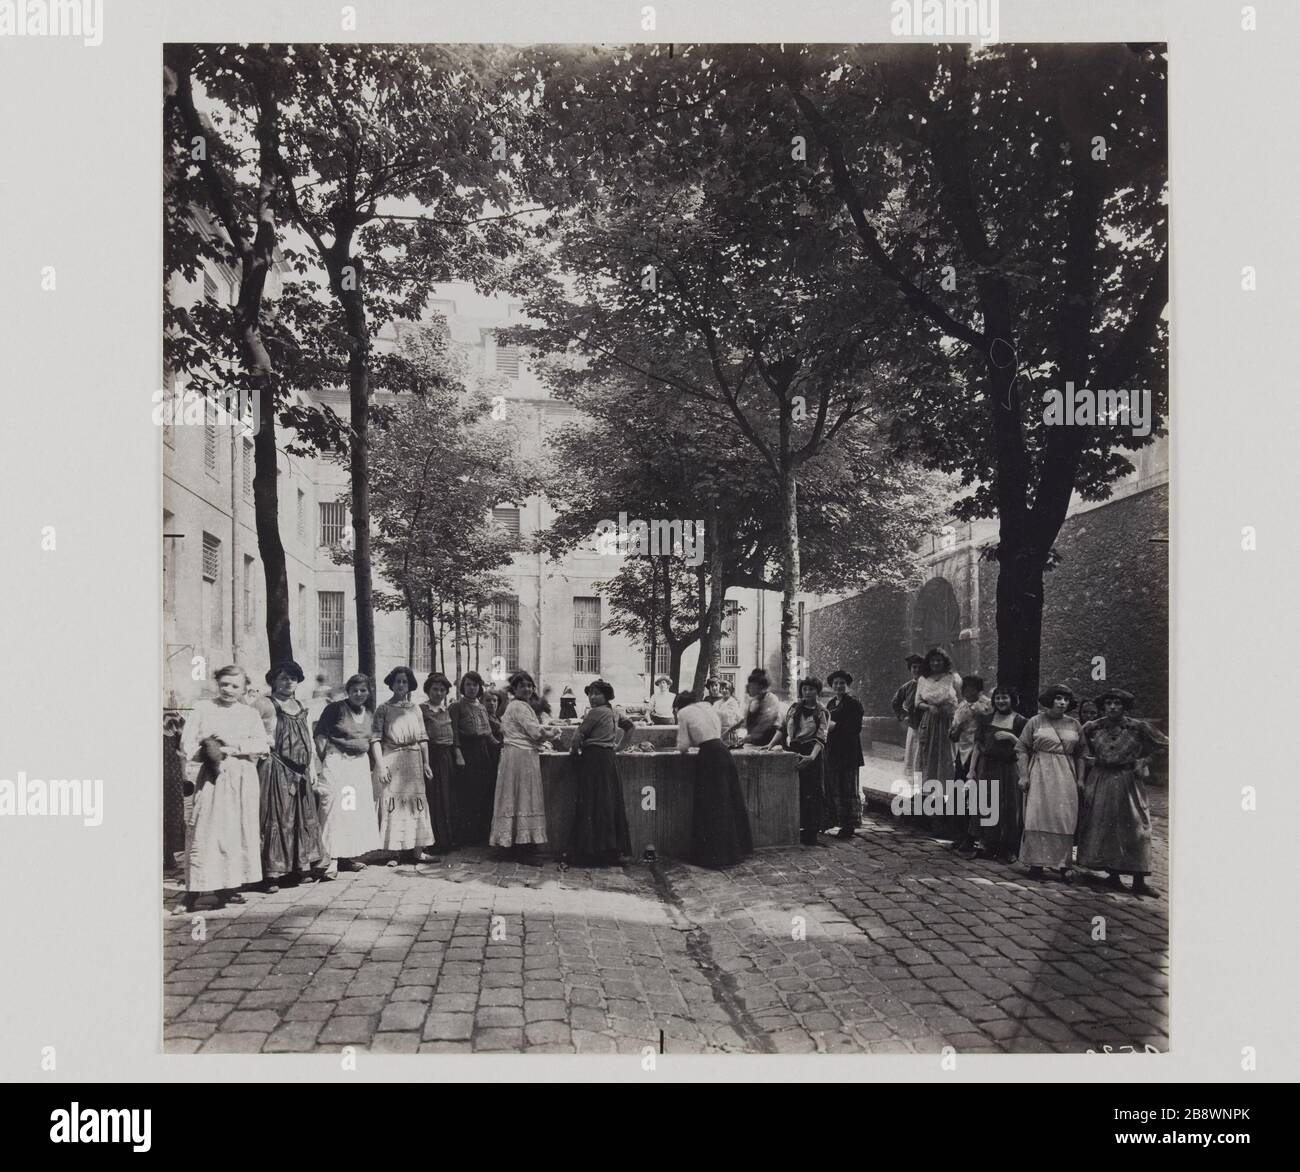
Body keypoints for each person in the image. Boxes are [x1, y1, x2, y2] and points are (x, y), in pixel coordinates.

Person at [176, 666, 269, 912]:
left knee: (236, 831)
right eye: (224, 684)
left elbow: (262, 744)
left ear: (245, 688)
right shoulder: (202, 708)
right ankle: (194, 890)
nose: (228, 690)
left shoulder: (249, 714)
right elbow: (187, 743)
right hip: (212, 778)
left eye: (235, 686)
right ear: (217, 683)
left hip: (242, 776)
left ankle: (229, 886)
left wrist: (232, 746)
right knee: (205, 830)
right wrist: (208, 749)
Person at [1077, 688, 1167, 896]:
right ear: (1103, 707)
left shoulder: (1138, 727)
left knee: (1137, 827)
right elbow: (1080, 748)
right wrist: (1090, 760)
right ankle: (1113, 876)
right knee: (1106, 826)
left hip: (1128, 781)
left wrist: (1145, 760)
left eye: (1117, 704)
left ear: (1124, 707)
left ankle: (1139, 880)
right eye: (1109, 704)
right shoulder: (1093, 728)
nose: (1113, 707)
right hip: (1102, 779)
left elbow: (1165, 745)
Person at [254, 661, 324, 891]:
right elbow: (252, 732)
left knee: (300, 819)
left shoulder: (300, 705)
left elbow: (309, 740)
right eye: (283, 677)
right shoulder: (264, 704)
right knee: (277, 818)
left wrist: (312, 768)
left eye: (293, 678)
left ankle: (300, 868)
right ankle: (272, 874)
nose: (288, 682)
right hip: (276, 769)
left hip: (301, 772)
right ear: (273, 680)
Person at [674, 690, 753, 867]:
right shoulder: (708, 706)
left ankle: (714, 855)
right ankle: (737, 850)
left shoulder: (684, 713)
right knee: (729, 800)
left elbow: (683, 745)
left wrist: (680, 749)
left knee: (711, 804)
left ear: (679, 705)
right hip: (723, 751)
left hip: (709, 756)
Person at [313, 674, 381, 877]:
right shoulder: (335, 709)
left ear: (368, 693)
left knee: (350, 810)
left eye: (363, 690)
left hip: (358, 766)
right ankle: (329, 860)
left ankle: (346, 857)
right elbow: (320, 735)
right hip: (337, 763)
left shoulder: (369, 713)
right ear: (348, 691)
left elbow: (370, 741)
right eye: (355, 690)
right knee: (333, 809)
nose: (359, 694)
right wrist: (327, 758)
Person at [1016, 684, 1086, 881]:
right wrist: (1023, 775)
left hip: (1065, 774)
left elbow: (1082, 753)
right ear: (1050, 700)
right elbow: (1021, 748)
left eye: (1065, 699)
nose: (1062, 702)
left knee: (1063, 817)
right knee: (1037, 814)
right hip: (1040, 771)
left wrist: (1080, 779)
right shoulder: (1035, 722)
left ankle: (1063, 863)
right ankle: (1036, 863)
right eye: (1058, 698)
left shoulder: (1074, 724)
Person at [371, 666, 436, 867]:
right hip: (392, 758)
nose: (401, 685)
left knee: (416, 802)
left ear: (410, 685)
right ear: (391, 684)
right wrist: (380, 766)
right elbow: (375, 739)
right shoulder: (383, 709)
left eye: (405, 682)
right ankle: (394, 852)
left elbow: (423, 737)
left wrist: (426, 762)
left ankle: (418, 850)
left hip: (413, 760)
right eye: (398, 681)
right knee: (394, 804)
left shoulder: (415, 708)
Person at [491, 671, 560, 855]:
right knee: (524, 797)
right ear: (514, 689)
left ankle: (513, 842)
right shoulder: (519, 707)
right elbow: (535, 733)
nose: (527, 689)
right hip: (521, 757)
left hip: (516, 755)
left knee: (514, 796)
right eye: (522, 686)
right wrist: (553, 732)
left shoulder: (516, 706)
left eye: (530, 685)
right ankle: (523, 846)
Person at [567, 679, 634, 865]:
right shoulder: (615, 712)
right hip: (609, 760)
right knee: (609, 803)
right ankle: (610, 851)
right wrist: (619, 747)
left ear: (606, 696)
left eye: (597, 694)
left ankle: (589, 851)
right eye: (590, 694)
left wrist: (573, 754)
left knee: (590, 803)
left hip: (593, 760)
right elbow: (630, 727)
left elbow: (577, 736)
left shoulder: (594, 713)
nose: (592, 697)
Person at [768, 677, 832, 846]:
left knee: (811, 793)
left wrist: (811, 757)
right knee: (794, 791)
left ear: (817, 692)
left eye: (811, 689)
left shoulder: (821, 712)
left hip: (811, 754)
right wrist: (769, 745)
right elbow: (783, 728)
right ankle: (795, 828)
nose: (807, 692)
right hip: (793, 751)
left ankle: (811, 833)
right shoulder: (794, 708)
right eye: (804, 689)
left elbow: (821, 738)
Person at [974, 686, 1028, 862]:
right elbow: (978, 745)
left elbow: (1026, 748)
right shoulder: (986, 719)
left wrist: (1012, 738)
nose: (1001, 701)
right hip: (988, 766)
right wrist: (971, 770)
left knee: (1009, 806)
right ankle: (989, 845)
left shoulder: (1020, 721)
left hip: (1009, 768)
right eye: (997, 698)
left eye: (1004, 698)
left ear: (1012, 699)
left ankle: (1009, 849)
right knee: (988, 804)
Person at [447, 670, 498, 846]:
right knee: (467, 794)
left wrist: (499, 745)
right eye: (468, 684)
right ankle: (465, 836)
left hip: (482, 752)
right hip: (466, 752)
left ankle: (480, 835)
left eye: (475, 685)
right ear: (463, 686)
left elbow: (489, 733)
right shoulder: (456, 706)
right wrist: (458, 753)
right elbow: (453, 732)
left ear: (479, 687)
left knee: (483, 792)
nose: (471, 688)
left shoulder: (482, 706)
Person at [911, 649, 962, 824]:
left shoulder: (953, 678)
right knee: (927, 760)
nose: (935, 664)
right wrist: (929, 708)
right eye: (932, 661)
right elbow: (917, 702)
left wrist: (953, 714)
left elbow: (961, 702)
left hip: (947, 722)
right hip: (929, 721)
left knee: (946, 758)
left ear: (944, 662)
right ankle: (928, 807)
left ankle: (946, 806)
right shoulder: (923, 680)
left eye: (939, 661)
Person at [947, 674, 992, 855]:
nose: (967, 692)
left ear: (979, 689)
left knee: (976, 797)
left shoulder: (988, 705)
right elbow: (952, 735)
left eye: (972, 688)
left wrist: (978, 714)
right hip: (963, 754)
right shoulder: (961, 707)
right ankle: (960, 835)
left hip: (980, 754)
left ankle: (974, 837)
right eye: (965, 688)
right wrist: (961, 724)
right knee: (959, 794)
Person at [419, 672, 458, 852]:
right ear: (428, 690)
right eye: (435, 689)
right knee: (433, 797)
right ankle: (432, 842)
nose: (439, 693)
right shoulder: (421, 709)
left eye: (442, 690)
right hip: (431, 756)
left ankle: (447, 840)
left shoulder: (446, 710)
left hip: (446, 756)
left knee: (447, 796)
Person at [823, 670, 864, 839]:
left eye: (842, 683)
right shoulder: (831, 703)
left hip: (848, 751)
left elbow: (855, 727)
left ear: (847, 686)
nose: (839, 686)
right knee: (834, 786)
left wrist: (836, 726)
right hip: (833, 751)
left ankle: (849, 825)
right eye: (836, 683)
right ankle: (835, 820)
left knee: (848, 787)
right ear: (832, 686)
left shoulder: (854, 704)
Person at [894, 654, 925, 776]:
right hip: (913, 726)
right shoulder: (907, 687)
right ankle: (913, 785)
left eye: (919, 667)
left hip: (928, 726)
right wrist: (903, 716)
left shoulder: (928, 685)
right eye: (914, 667)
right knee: (913, 756)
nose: (917, 670)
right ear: (910, 669)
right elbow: (896, 702)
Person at [738, 670, 782, 747]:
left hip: (770, 742)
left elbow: (768, 720)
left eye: (752, 685)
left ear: (760, 686)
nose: (749, 688)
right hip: (755, 742)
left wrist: (751, 736)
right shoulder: (753, 701)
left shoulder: (771, 698)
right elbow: (744, 721)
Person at [715, 680, 744, 744]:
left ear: (731, 690)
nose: (724, 690)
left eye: (726, 688)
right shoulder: (716, 703)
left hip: (730, 736)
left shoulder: (733, 703)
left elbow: (741, 720)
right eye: (722, 688)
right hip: (718, 735)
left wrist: (731, 731)